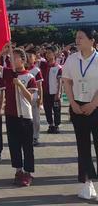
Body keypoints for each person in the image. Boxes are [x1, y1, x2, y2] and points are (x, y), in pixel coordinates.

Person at [62, 28, 98, 200]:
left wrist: (93, 104)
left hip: (96, 106)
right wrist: (73, 103)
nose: (77, 40)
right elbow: (67, 81)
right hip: (77, 106)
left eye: (81, 37)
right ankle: (86, 183)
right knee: (83, 147)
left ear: (92, 41)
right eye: (76, 37)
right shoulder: (71, 59)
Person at [0, 44, 37, 187]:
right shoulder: (8, 72)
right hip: (11, 115)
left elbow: (31, 98)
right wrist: (2, 51)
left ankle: (28, 172)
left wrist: (20, 84)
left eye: (15, 57)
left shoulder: (30, 77)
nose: (12, 59)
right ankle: (18, 170)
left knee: (27, 146)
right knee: (14, 145)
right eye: (11, 57)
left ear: (23, 60)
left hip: (25, 117)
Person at [40, 45, 62, 134]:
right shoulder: (43, 65)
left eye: (49, 53)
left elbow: (59, 81)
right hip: (45, 92)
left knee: (56, 110)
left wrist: (58, 93)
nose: (47, 55)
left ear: (54, 54)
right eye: (46, 53)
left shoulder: (58, 67)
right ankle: (51, 124)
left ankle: (57, 126)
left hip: (54, 92)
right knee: (47, 109)